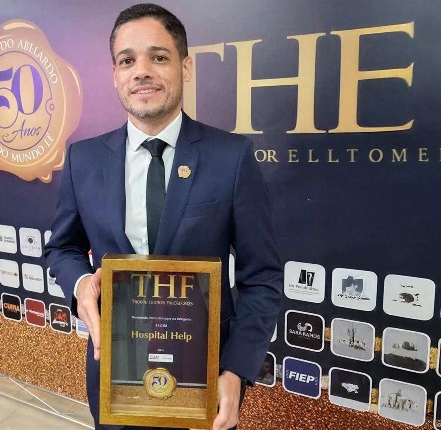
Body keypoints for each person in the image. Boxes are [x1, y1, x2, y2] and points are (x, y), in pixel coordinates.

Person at [44, 3, 282, 429]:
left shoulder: (231, 158)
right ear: (115, 75)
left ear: (185, 67)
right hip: (115, 375)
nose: (141, 72)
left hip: (206, 381)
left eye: (158, 57)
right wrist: (81, 286)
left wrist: (236, 370)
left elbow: (261, 277)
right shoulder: (83, 160)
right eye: (127, 61)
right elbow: (62, 248)